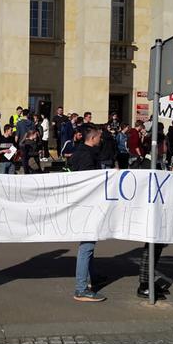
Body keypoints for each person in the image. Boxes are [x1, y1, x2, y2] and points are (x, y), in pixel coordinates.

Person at [68, 124, 105, 302]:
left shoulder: (79, 152)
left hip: (84, 204)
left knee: (89, 245)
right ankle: (81, 289)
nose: (101, 139)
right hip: (87, 206)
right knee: (87, 247)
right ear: (92, 138)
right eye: (99, 136)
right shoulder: (87, 155)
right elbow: (88, 182)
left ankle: (92, 278)